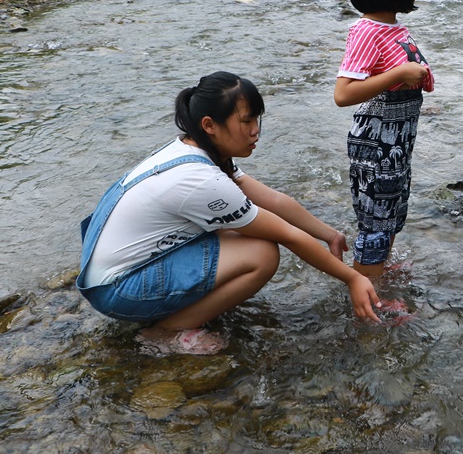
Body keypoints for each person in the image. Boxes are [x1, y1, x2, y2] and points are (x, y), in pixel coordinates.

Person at [77, 71, 381, 356]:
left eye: (257, 119)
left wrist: (329, 235)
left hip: (113, 271)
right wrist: (352, 279)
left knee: (234, 229)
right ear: (210, 125)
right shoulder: (202, 180)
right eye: (246, 121)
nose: (255, 130)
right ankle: (164, 332)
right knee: (261, 253)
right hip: (117, 290)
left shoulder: (194, 150)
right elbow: (287, 235)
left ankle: (180, 308)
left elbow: (274, 200)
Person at [334, 0, 434, 278]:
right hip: (376, 143)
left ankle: (380, 272)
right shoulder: (365, 31)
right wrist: (398, 74)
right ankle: (367, 289)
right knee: (375, 218)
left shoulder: (393, 28)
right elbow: (343, 93)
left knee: (391, 210)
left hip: (398, 142)